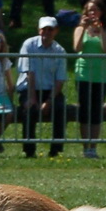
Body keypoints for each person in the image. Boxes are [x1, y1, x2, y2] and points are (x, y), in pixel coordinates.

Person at [16, 16, 69, 158]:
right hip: (29, 87)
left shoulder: (60, 51)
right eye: (44, 29)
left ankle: (56, 150)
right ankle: (29, 150)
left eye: (50, 29)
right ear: (39, 30)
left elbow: (60, 79)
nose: (47, 32)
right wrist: (32, 97)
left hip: (49, 90)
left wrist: (49, 101)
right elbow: (29, 72)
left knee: (60, 108)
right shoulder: (29, 45)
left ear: (56, 31)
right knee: (29, 109)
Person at [71, 0, 106, 158]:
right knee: (85, 110)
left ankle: (93, 147)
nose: (92, 13)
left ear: (101, 12)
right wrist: (83, 28)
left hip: (100, 76)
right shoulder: (80, 29)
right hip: (83, 74)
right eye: (89, 10)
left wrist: (100, 29)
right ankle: (85, 146)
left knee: (96, 111)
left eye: (95, 10)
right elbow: (77, 47)